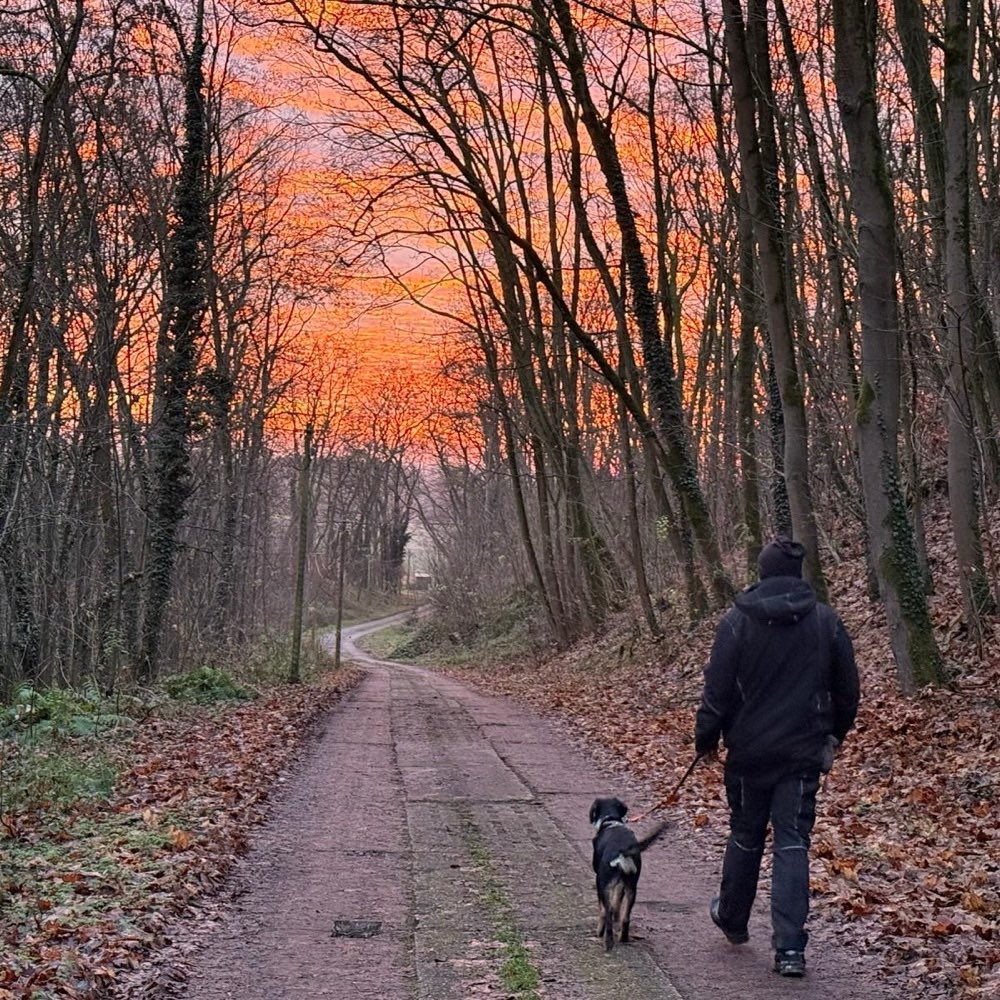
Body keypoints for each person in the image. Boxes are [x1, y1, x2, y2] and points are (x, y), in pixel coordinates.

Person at [694, 536, 859, 978]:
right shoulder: (825, 622)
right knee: (791, 842)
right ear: (798, 574)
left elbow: (717, 691)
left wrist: (705, 740)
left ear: (762, 573)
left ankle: (732, 917)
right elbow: (848, 692)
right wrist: (834, 735)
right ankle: (790, 949)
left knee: (746, 834)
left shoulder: (736, 622)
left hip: (749, 753)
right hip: (802, 753)